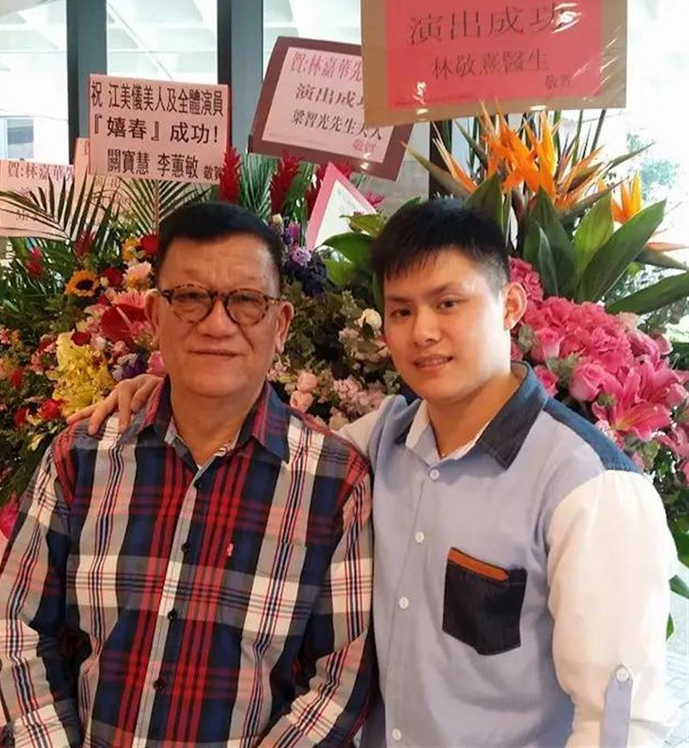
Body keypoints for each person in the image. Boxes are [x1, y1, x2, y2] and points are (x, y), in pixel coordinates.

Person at [71, 200, 678, 747]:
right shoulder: (385, 439)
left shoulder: (590, 488)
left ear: (510, 306)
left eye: (449, 303)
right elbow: (267, 438)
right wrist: (165, 392)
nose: (424, 332)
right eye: (401, 310)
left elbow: (621, 725)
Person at [0, 202, 375, 747]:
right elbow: (21, 628)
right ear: (154, 314)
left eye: (246, 301)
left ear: (281, 324)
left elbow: (338, 681)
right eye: (191, 297)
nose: (217, 324)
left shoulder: (335, 483)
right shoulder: (82, 457)